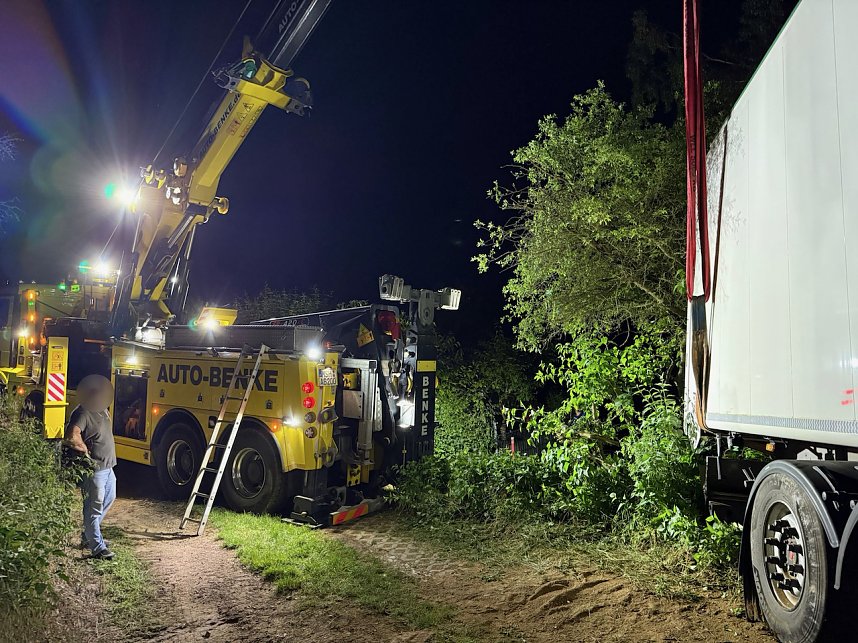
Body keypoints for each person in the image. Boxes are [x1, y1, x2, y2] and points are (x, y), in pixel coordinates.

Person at [64, 374, 117, 560]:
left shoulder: (102, 409)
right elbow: (72, 435)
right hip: (95, 470)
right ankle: (97, 548)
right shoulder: (83, 412)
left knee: (109, 498)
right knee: (93, 508)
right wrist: (85, 451)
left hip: (108, 467)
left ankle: (89, 535)